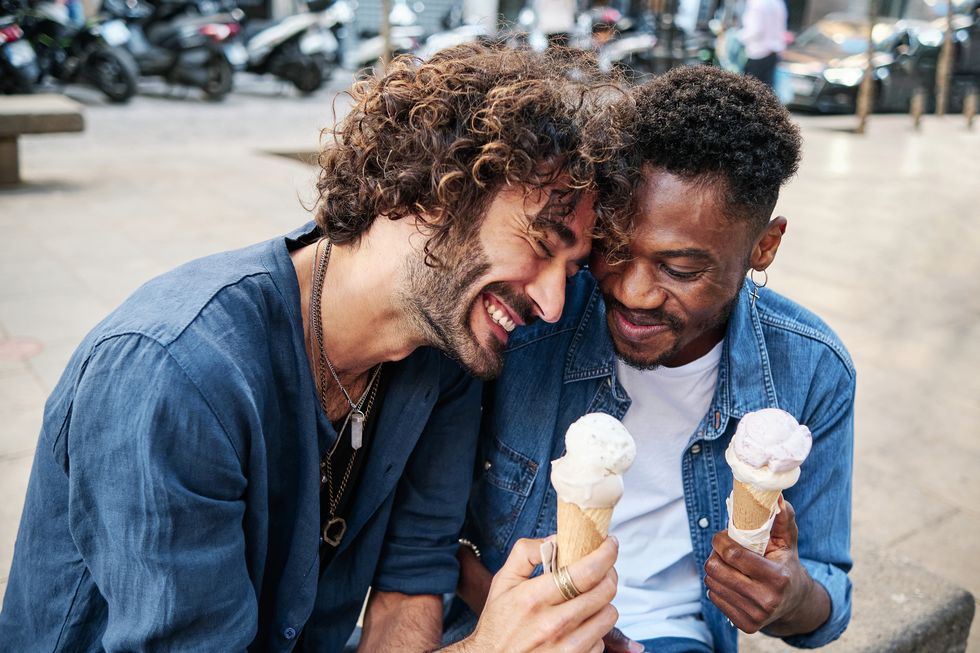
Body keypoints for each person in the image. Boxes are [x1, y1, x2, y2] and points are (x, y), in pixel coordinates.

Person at [0, 44, 623, 652]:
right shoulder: (175, 377)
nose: (552, 305)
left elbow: (410, 584)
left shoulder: (444, 352)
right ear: (431, 194)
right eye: (543, 245)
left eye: (570, 272)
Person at [447, 66, 855, 653]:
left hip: (672, 636)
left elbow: (827, 603)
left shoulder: (812, 369)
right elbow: (426, 542)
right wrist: (548, 624)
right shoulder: (533, 321)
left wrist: (790, 598)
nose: (634, 292)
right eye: (611, 248)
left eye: (680, 270)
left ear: (764, 246)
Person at [739, 0, 787, 88]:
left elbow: (755, 31)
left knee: (752, 91)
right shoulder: (778, 2)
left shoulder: (756, 3)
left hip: (758, 52)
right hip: (773, 52)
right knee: (767, 92)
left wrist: (738, 36)